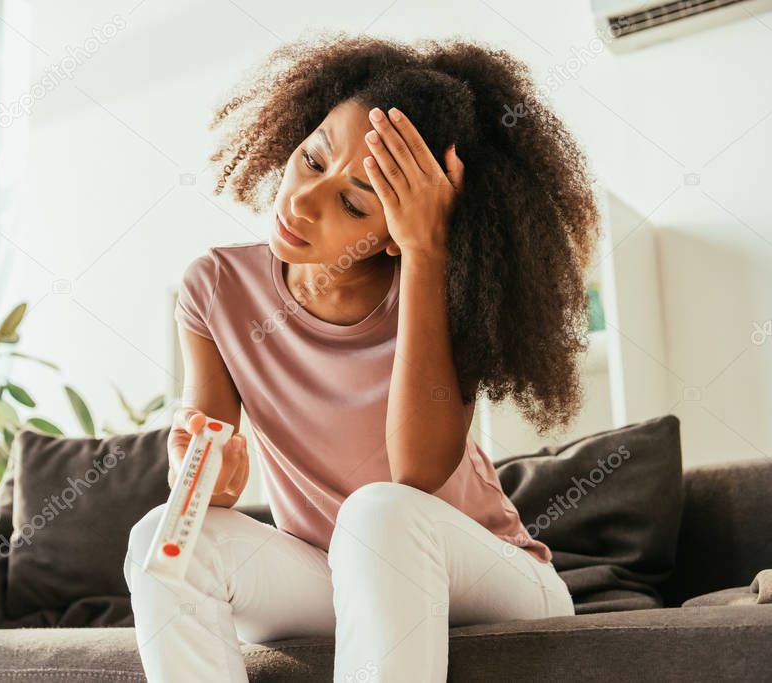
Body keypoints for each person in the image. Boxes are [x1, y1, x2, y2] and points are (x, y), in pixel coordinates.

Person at [124, 32, 600, 682]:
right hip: (331, 577)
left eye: (352, 203)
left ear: (394, 235)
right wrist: (206, 475)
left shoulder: (437, 295)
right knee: (164, 536)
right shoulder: (215, 288)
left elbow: (416, 472)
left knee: (377, 511)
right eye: (312, 158)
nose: (300, 201)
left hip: (489, 576)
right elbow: (207, 462)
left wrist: (429, 250)